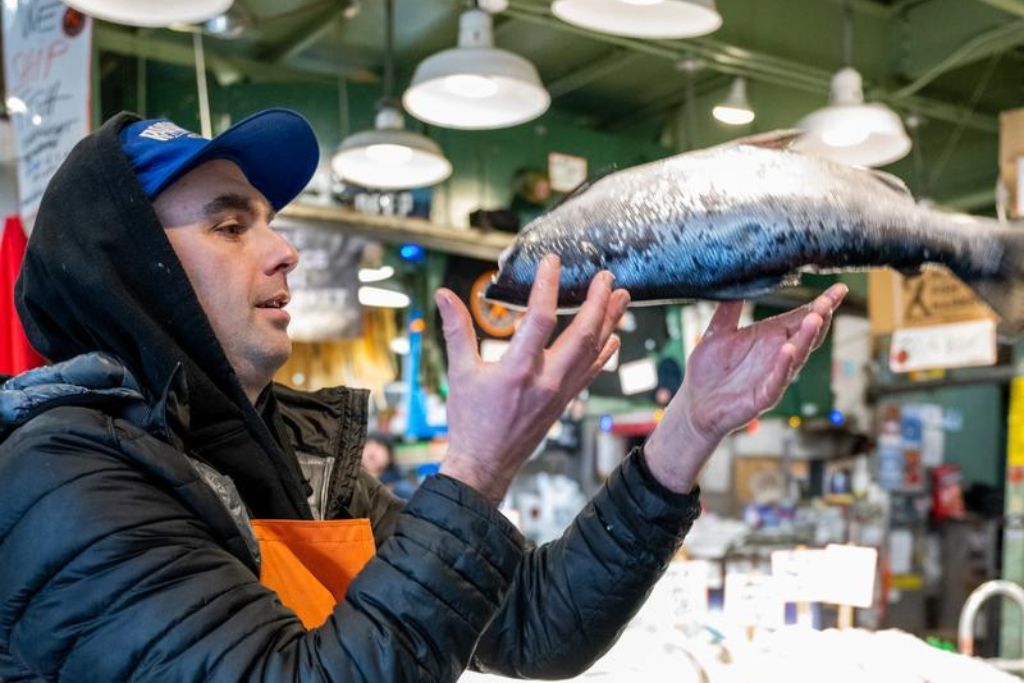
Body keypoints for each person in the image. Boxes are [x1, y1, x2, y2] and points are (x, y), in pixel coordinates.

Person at [0, 108, 845, 681]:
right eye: (230, 225)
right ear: (128, 271)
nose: (283, 248)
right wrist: (476, 469)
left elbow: (537, 623)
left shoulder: (295, 460)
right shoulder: (64, 477)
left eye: (267, 216)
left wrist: (688, 429)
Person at [361, 431, 416, 499]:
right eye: (368, 446)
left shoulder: (401, 488)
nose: (372, 451)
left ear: (390, 455)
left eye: (378, 446)